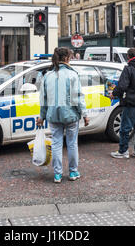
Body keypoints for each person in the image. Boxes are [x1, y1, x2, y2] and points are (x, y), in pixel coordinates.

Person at [36, 47, 89, 184]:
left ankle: (57, 174)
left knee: (56, 144)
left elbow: (43, 100)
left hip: (53, 115)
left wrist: (41, 117)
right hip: (70, 114)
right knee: (72, 144)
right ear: (66, 58)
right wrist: (85, 114)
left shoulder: (47, 76)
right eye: (70, 57)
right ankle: (73, 171)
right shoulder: (72, 75)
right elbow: (77, 97)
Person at [109, 48, 135, 159]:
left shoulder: (129, 68)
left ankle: (123, 151)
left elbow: (122, 85)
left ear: (128, 56)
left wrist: (114, 93)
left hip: (132, 101)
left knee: (125, 128)